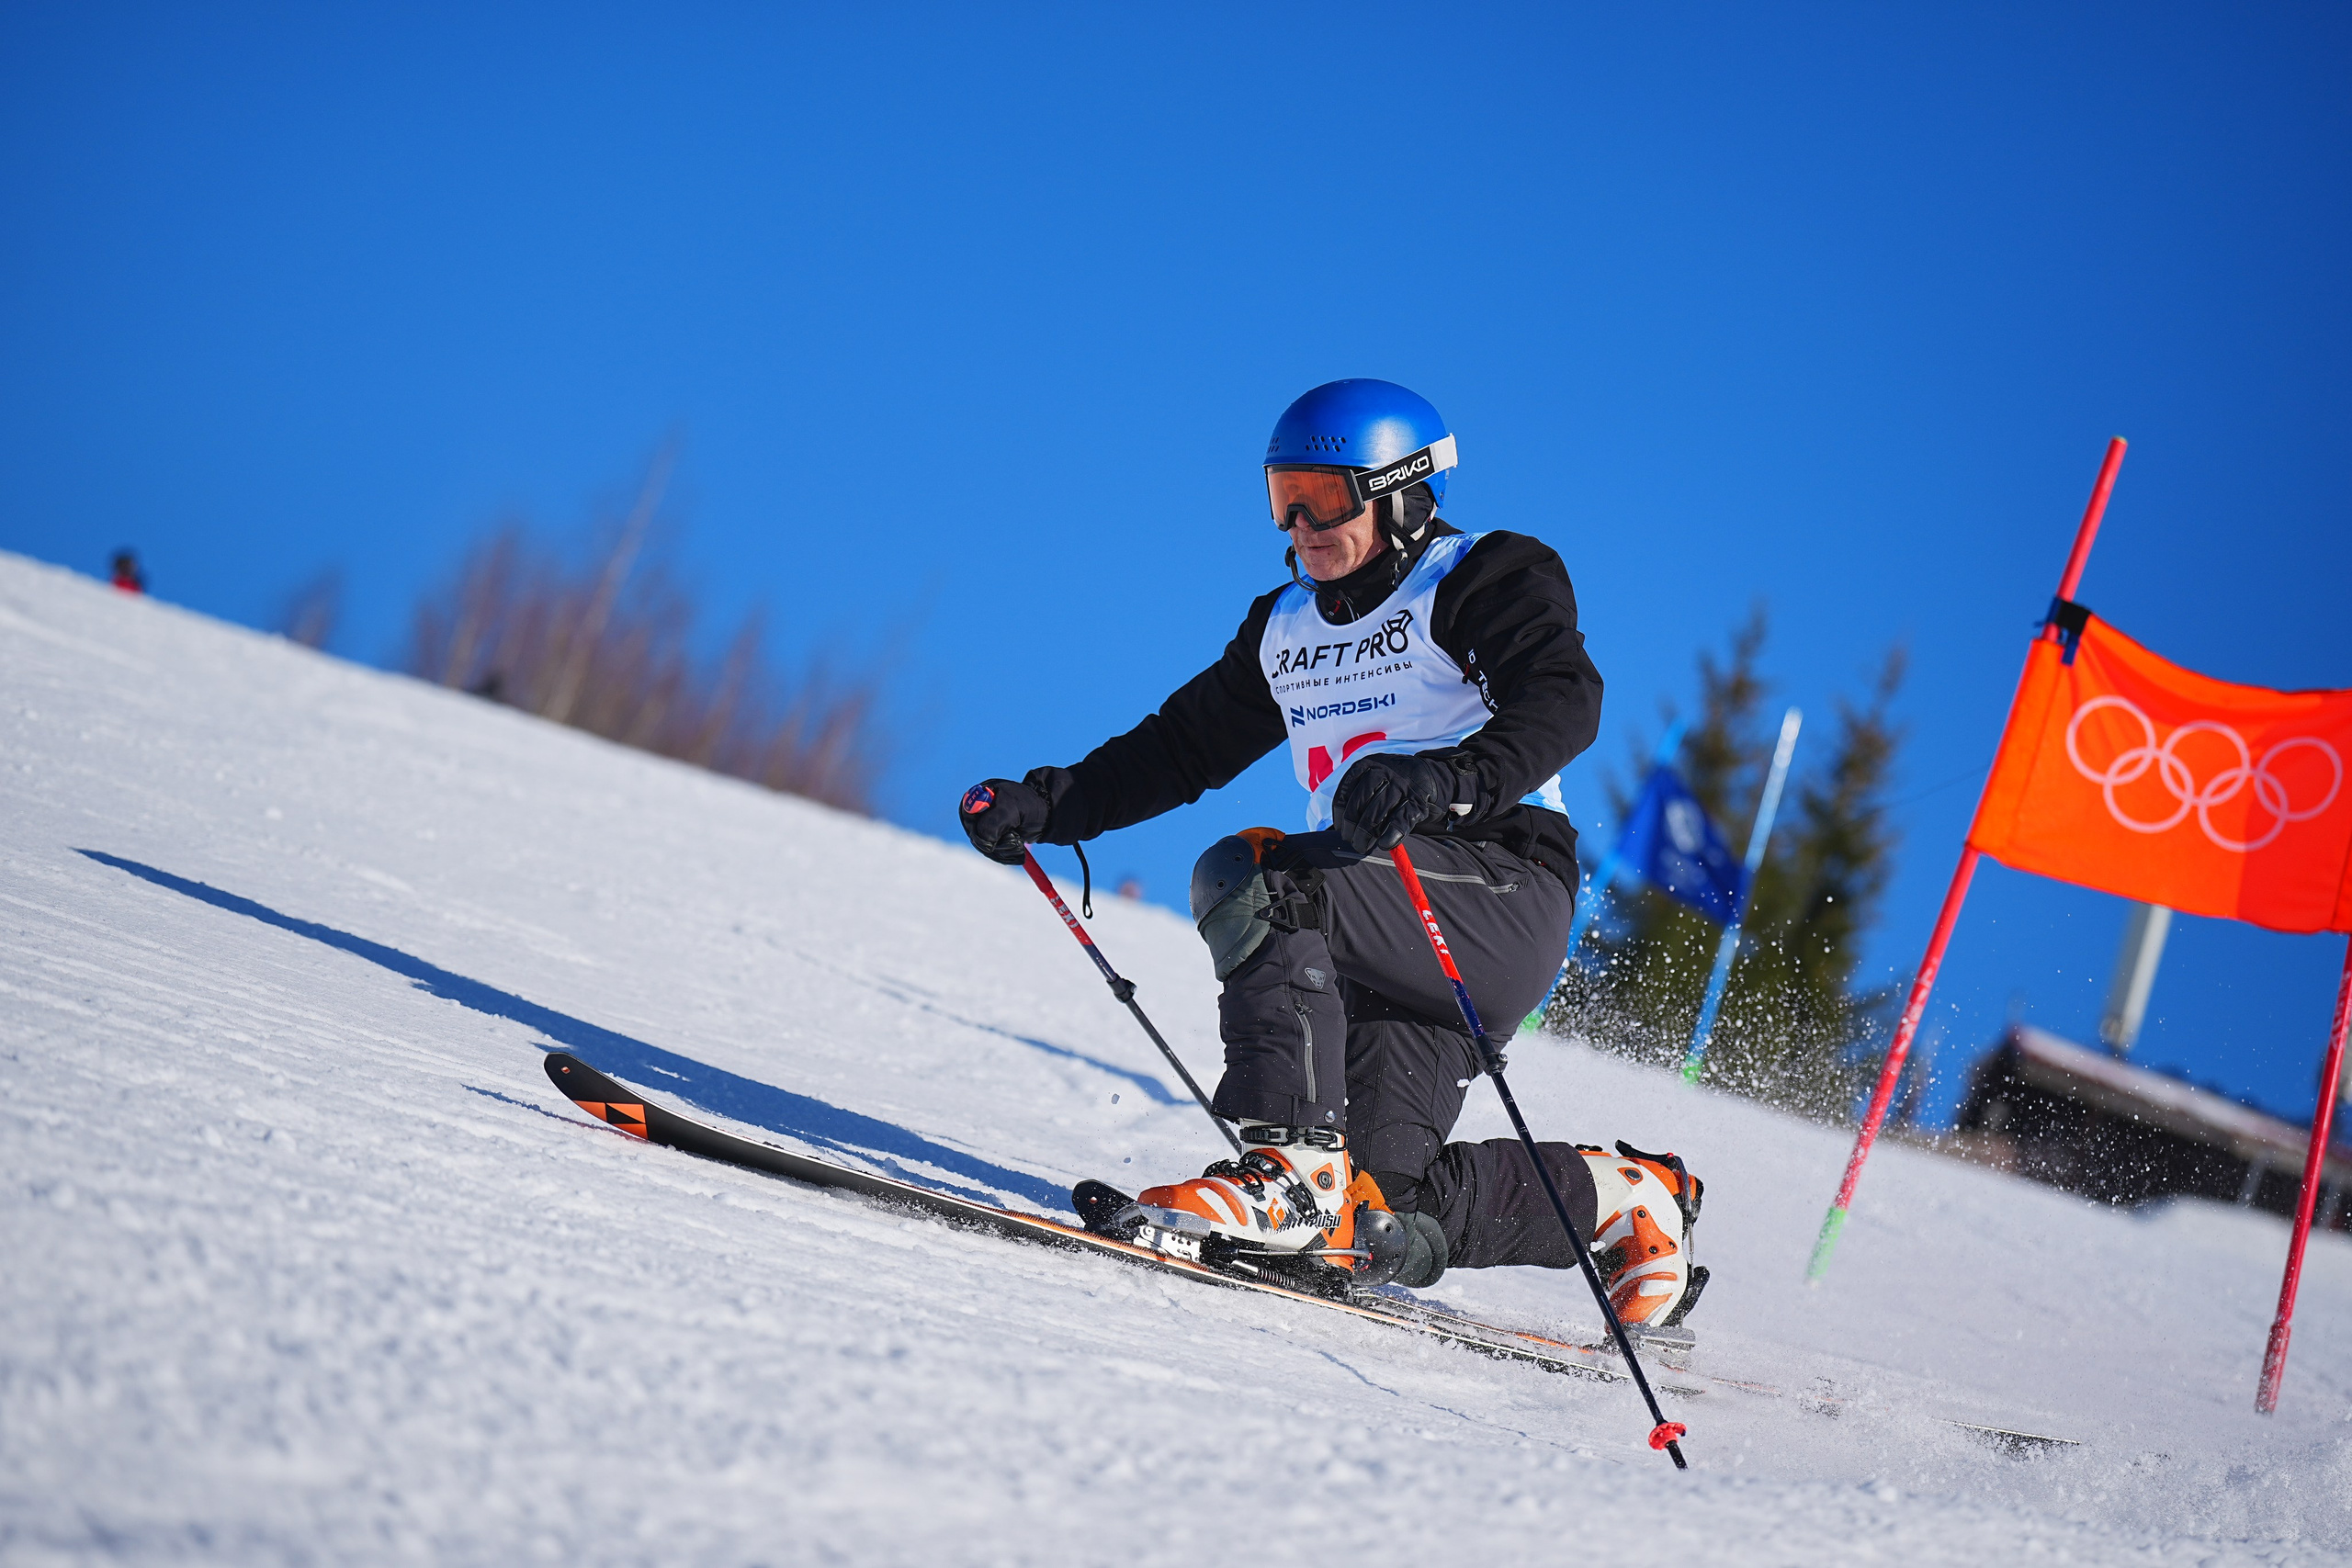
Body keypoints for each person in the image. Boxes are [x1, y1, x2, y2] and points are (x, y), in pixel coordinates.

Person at [959, 379, 1705, 1325]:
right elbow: (1180, 749)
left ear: (1399, 492)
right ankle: (1632, 1199)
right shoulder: (1285, 629)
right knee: (1381, 1213)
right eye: (1283, 498)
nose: (1302, 524)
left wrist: (1447, 778)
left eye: (1325, 496)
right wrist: (1049, 805)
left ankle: (1286, 1174)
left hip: (1494, 893)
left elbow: (1563, 698)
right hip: (1376, 934)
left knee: (1261, 874)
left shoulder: (1482, 576)